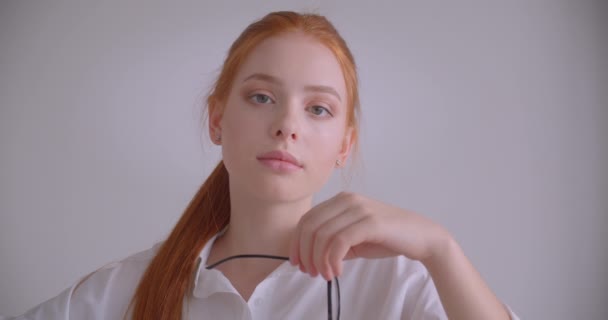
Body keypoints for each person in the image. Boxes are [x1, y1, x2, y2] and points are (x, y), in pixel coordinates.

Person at [10, 11, 519, 320]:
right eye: (260, 97)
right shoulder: (125, 290)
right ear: (216, 120)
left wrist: (441, 248)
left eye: (318, 108)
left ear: (345, 144)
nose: (286, 125)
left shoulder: (402, 286)